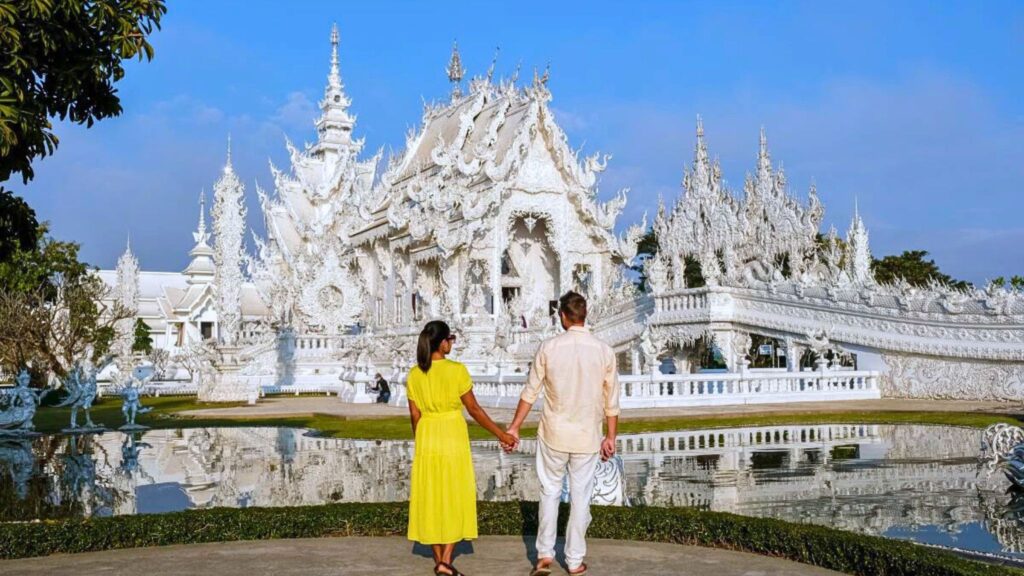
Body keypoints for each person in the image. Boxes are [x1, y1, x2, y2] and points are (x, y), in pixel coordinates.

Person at [506, 291, 619, 576]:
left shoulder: (550, 347)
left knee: (549, 493)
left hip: (554, 434)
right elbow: (612, 401)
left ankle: (544, 555)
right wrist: (611, 437)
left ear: (563, 317)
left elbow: (530, 392)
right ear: (585, 314)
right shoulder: (603, 350)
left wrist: (515, 426)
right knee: (581, 497)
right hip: (587, 436)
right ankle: (574, 561)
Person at [407, 320, 518, 576]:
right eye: (451, 339)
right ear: (443, 342)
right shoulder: (457, 371)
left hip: (428, 435)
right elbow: (475, 410)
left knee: (431, 496)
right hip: (452, 434)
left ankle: (441, 561)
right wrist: (501, 434)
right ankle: (445, 560)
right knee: (454, 493)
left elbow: (415, 416)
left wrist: (421, 439)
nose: (452, 344)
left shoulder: (415, 374)